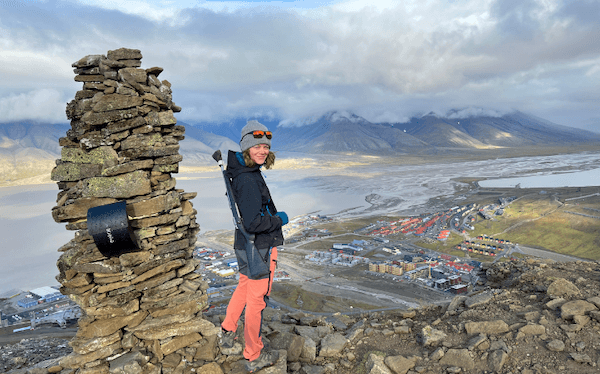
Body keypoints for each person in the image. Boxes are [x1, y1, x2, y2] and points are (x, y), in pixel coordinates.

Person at [219, 120, 289, 373]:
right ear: (246, 147)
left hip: (245, 244)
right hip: (259, 247)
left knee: (244, 287)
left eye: (265, 146)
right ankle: (253, 354)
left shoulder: (240, 171)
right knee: (256, 302)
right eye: (256, 146)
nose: (262, 151)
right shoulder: (248, 179)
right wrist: (279, 219)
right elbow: (254, 221)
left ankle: (227, 331)